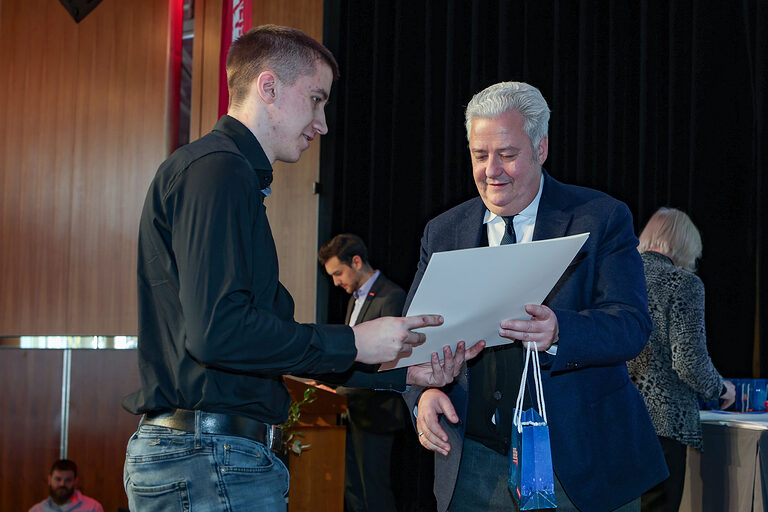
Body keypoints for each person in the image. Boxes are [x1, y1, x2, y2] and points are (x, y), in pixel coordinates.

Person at [121, 25, 481, 511]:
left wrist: (404, 375)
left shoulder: (225, 175)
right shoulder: (219, 171)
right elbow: (218, 334)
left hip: (206, 459)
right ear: (267, 88)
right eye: (315, 99)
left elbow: (264, 346)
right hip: (209, 460)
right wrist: (355, 341)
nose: (323, 122)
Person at [407, 81, 668, 512]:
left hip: (580, 466)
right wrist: (423, 395)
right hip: (471, 466)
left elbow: (631, 326)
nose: (492, 170)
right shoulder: (443, 231)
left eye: (507, 155)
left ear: (541, 148)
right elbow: (413, 337)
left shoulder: (601, 218)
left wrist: (560, 331)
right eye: (479, 155)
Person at [627, 207, 736, 512]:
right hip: (662, 424)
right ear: (686, 247)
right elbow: (689, 361)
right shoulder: (682, 283)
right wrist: (721, 389)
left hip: (614, 418)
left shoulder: (619, 276)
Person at [318, 233, 410, 512]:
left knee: (373, 491)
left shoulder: (391, 296)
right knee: (352, 489)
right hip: (351, 408)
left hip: (376, 412)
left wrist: (335, 373)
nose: (335, 282)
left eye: (338, 273)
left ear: (356, 261)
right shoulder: (354, 298)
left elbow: (387, 358)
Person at [29, 459, 103, 512]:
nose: (62, 484)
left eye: (68, 480)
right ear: (49, 480)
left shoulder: (93, 508)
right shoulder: (37, 510)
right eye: (58, 479)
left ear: (75, 482)